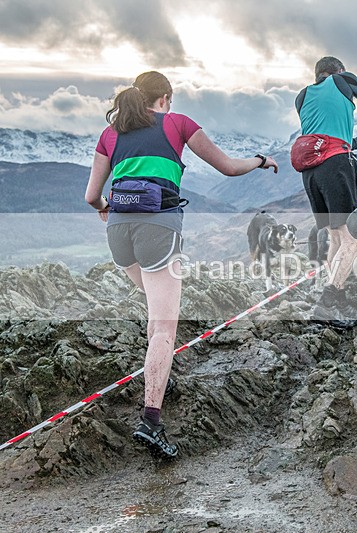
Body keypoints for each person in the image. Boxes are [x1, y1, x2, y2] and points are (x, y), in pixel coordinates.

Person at [84, 71, 278, 459]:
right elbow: (227, 166)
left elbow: (91, 196)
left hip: (119, 233)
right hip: (159, 228)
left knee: (157, 312)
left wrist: (107, 210)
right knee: (165, 329)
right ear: (166, 98)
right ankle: (151, 420)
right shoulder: (179, 123)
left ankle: (158, 376)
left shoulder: (112, 133)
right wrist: (260, 160)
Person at [294, 57, 357, 324]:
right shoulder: (342, 80)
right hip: (336, 164)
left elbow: (324, 124)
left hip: (309, 170)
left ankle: (338, 302)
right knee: (353, 238)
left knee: (335, 237)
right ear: (339, 72)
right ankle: (327, 301)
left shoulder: (302, 95)